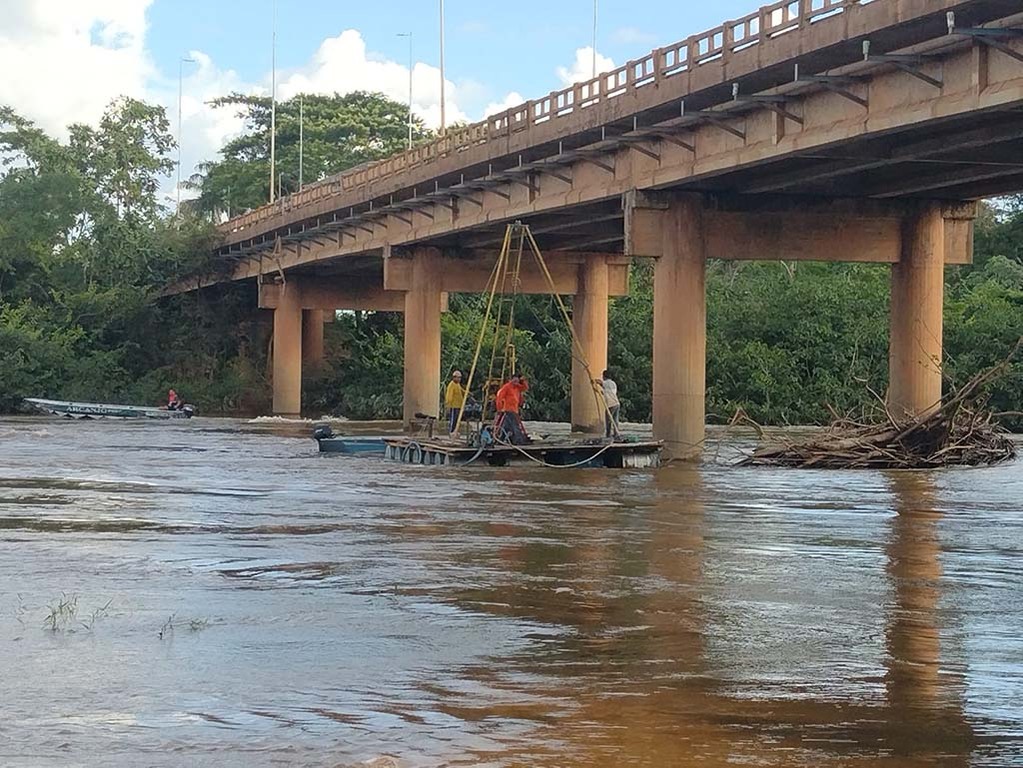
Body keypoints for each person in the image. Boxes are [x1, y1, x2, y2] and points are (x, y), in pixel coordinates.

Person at [495, 373, 530, 445]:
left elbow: (525, 388)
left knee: (506, 425)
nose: (516, 382)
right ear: (511, 379)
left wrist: (523, 380)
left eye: (517, 380)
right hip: (508, 409)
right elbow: (499, 396)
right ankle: (518, 439)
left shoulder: (517, 387)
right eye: (514, 380)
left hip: (515, 410)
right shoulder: (507, 387)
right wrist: (499, 408)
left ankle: (501, 438)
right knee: (514, 425)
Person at [445, 370, 468, 437]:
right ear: (454, 377)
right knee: (453, 420)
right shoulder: (451, 385)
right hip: (453, 406)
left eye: (460, 378)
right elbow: (449, 396)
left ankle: (455, 431)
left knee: (457, 420)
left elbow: (461, 390)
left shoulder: (457, 384)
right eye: (458, 377)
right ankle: (451, 432)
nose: (459, 379)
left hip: (458, 406)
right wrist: (448, 405)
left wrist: (467, 393)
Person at [600, 370, 621, 439]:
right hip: (616, 403)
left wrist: (594, 381)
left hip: (611, 404)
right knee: (615, 420)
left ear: (604, 376)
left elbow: (600, 382)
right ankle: (616, 434)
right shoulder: (613, 383)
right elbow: (610, 392)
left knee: (608, 420)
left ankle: (608, 434)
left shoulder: (606, 383)